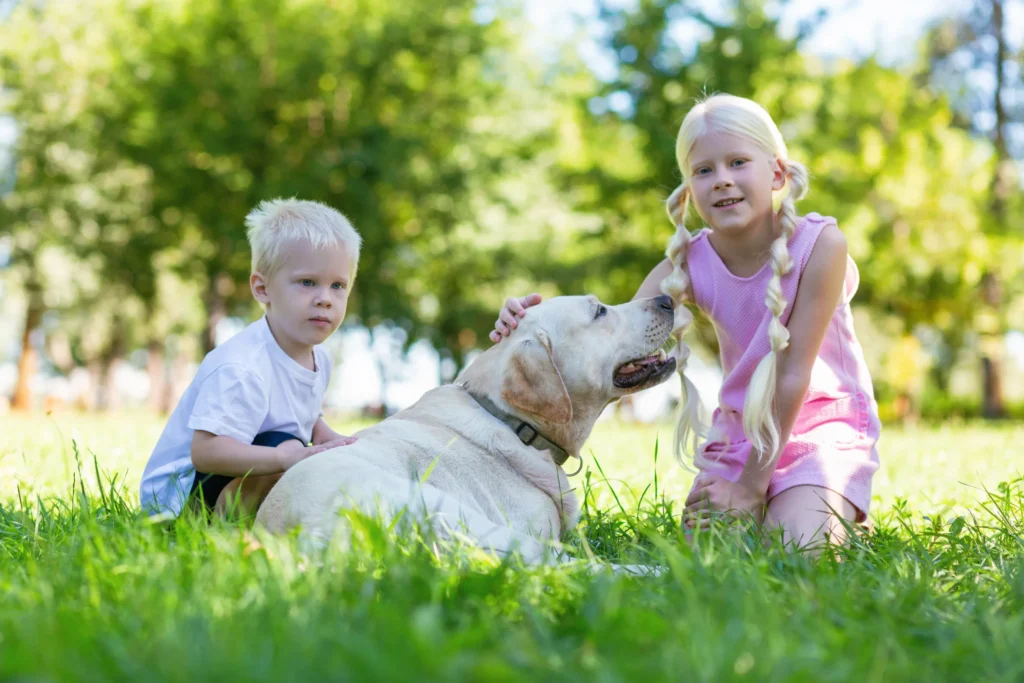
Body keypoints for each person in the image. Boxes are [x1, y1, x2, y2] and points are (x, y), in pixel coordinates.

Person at [491, 94, 880, 551]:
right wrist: (526, 324)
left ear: (776, 172)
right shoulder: (692, 261)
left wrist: (751, 489)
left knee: (796, 553)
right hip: (740, 437)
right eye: (704, 170)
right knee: (714, 558)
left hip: (819, 431)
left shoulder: (822, 245)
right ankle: (810, 510)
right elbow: (611, 336)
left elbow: (792, 374)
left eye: (737, 162)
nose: (722, 180)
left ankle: (836, 510)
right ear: (689, 189)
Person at [140, 198, 362, 519]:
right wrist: (286, 458)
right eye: (307, 282)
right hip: (178, 501)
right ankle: (227, 525)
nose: (325, 299)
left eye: (338, 285)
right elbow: (206, 452)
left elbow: (304, 417)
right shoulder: (242, 366)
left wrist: (338, 443)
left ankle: (268, 515)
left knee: (299, 452)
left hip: (239, 472)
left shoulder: (319, 359)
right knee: (284, 446)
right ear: (262, 288)